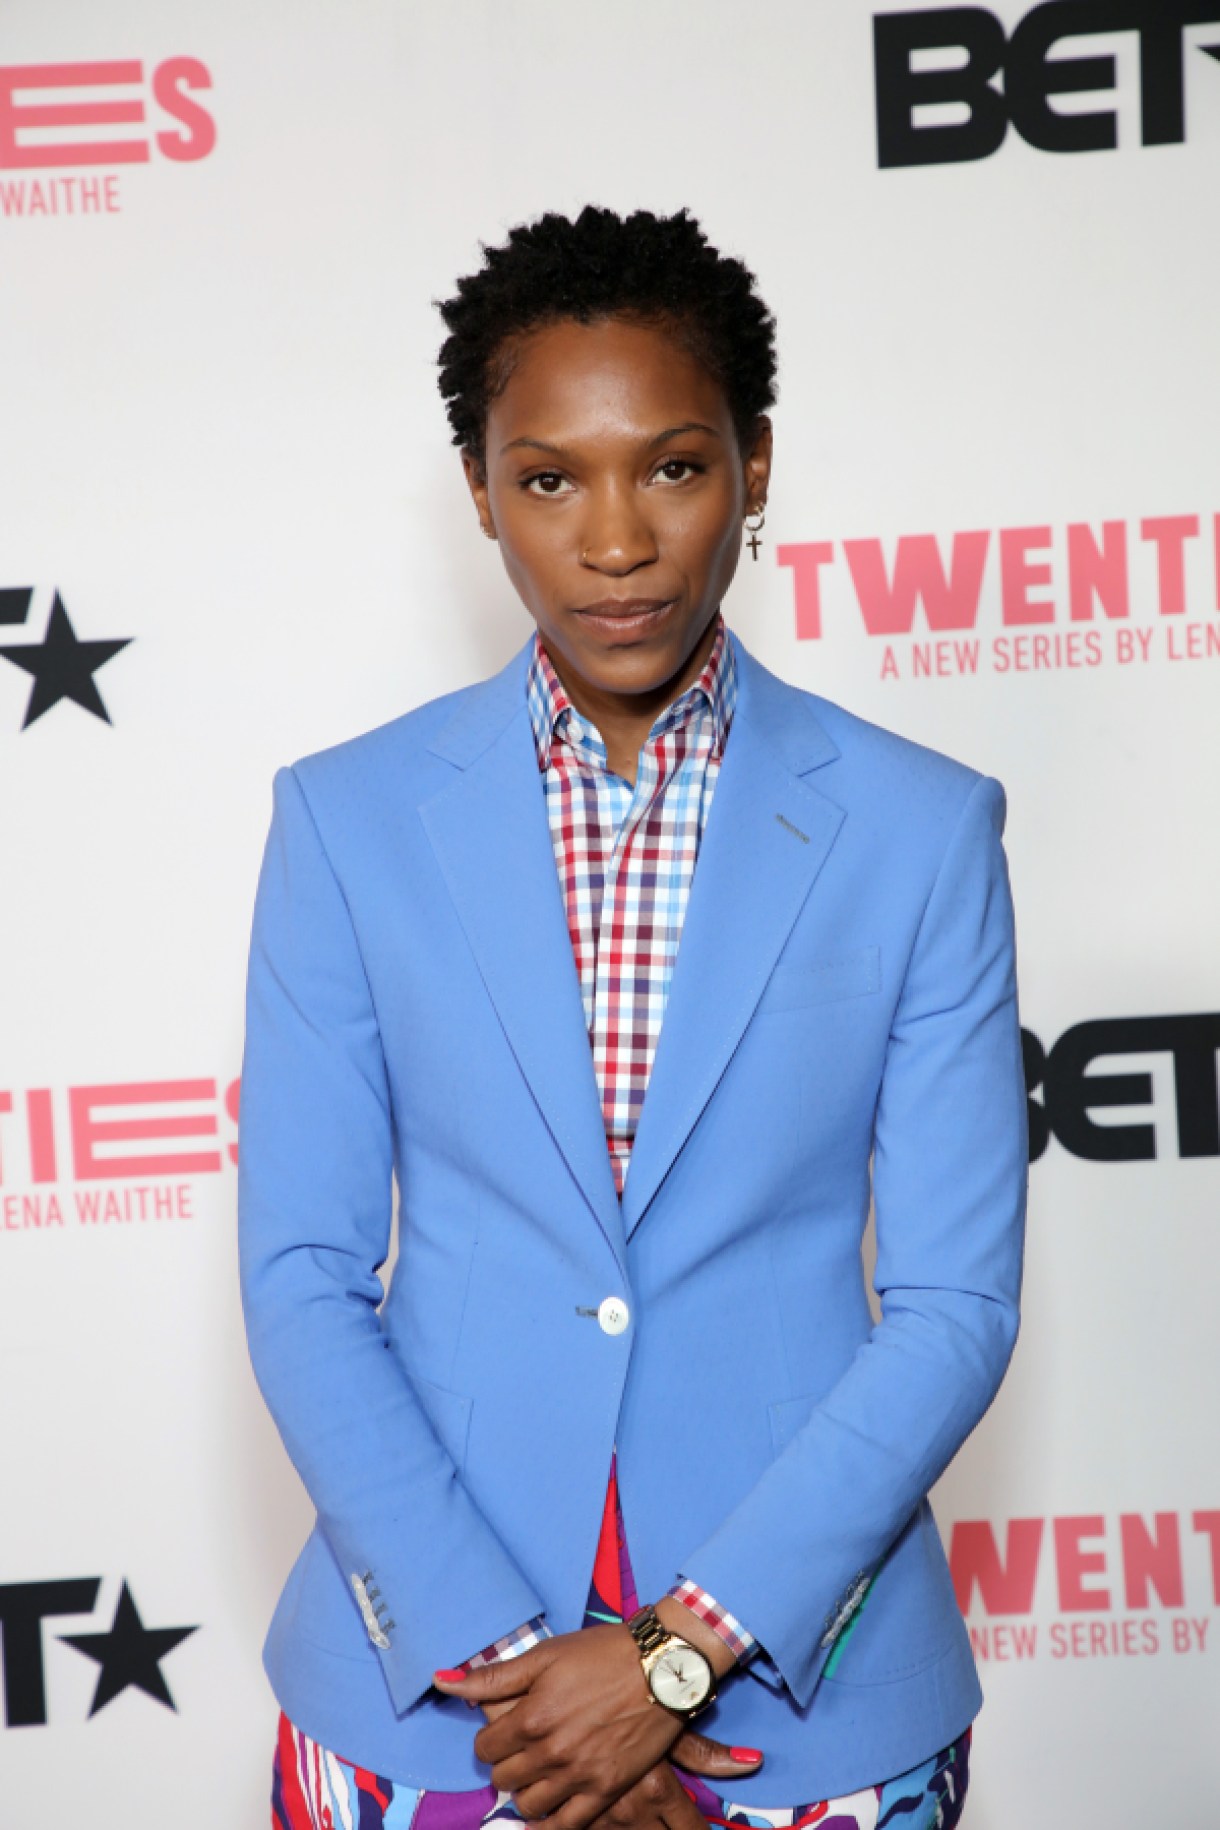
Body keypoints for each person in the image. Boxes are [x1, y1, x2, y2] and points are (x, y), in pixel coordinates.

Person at [237, 205, 1028, 1830]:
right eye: (548, 478)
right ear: (480, 492)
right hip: (435, 1701)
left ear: (754, 460)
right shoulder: (348, 820)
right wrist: (536, 1683)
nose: (615, 540)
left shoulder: (920, 827)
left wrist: (671, 1662)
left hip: (811, 1709)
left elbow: (953, 1300)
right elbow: (303, 1276)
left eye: (672, 466)